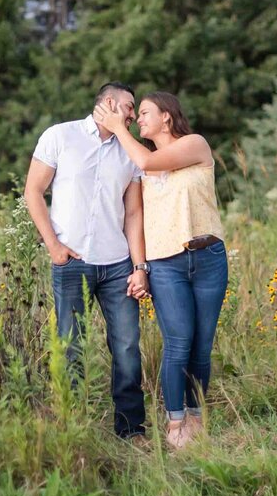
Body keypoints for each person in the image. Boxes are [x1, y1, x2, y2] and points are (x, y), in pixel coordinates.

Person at [93, 91, 227, 449]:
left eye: (146, 112)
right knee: (178, 343)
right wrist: (140, 269)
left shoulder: (195, 145)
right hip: (166, 264)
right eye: (136, 115)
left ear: (167, 117)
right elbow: (134, 218)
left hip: (209, 256)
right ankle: (176, 424)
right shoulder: (140, 163)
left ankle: (197, 419)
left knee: (202, 346)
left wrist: (117, 128)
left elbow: (152, 163)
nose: (138, 119)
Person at [24, 82, 151, 440]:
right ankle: (73, 427)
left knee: (126, 346)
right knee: (71, 345)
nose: (132, 115)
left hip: (117, 266)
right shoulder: (60, 136)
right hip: (72, 261)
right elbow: (33, 190)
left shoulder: (131, 152)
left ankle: (131, 430)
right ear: (109, 103)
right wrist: (53, 246)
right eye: (129, 107)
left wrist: (139, 267)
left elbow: (134, 213)